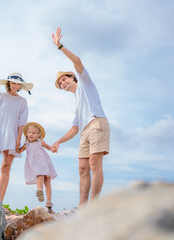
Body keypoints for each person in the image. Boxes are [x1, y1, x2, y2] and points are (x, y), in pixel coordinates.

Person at [50, 27, 110, 208]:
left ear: (72, 77)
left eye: (64, 80)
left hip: (97, 122)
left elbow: (78, 61)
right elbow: (74, 129)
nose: (63, 83)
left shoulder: (84, 81)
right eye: (61, 84)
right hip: (84, 131)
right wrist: (59, 141)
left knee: (94, 163)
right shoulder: (76, 104)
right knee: (82, 169)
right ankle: (82, 208)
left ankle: (93, 206)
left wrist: (60, 46)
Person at [0, 72, 33, 202]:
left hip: (12, 134)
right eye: (14, 83)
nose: (16, 85)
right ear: (8, 83)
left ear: (21, 86)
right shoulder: (0, 97)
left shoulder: (22, 101)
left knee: (6, 167)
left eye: (18, 84)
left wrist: (19, 138)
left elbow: (22, 122)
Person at [16, 122, 57, 209]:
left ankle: (48, 202)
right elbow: (19, 151)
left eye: (34, 133)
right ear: (27, 134)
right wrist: (16, 144)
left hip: (44, 162)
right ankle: (39, 190)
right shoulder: (26, 145)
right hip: (34, 164)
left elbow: (49, 148)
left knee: (47, 182)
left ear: (38, 135)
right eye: (29, 132)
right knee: (39, 174)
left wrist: (53, 149)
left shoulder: (40, 142)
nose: (31, 134)